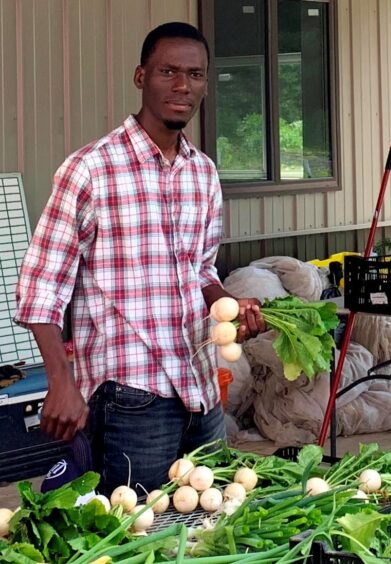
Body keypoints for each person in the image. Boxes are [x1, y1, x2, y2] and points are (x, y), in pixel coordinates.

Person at [15, 22, 265, 495]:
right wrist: (60, 381)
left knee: (204, 529)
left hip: (200, 389)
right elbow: (39, 286)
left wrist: (227, 300)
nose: (181, 86)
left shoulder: (203, 173)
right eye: (167, 71)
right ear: (140, 76)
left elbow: (200, 270)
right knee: (133, 530)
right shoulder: (90, 169)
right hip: (130, 398)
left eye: (194, 74)